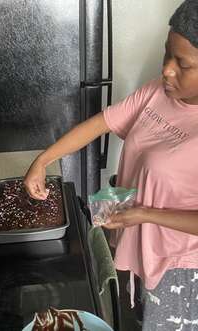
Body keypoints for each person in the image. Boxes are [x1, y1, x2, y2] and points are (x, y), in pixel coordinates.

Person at [24, 1, 198, 330]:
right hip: (140, 246)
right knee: (138, 317)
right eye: (167, 53)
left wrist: (145, 214)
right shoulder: (158, 91)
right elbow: (100, 124)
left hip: (180, 271)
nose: (167, 70)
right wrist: (43, 160)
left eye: (183, 64)